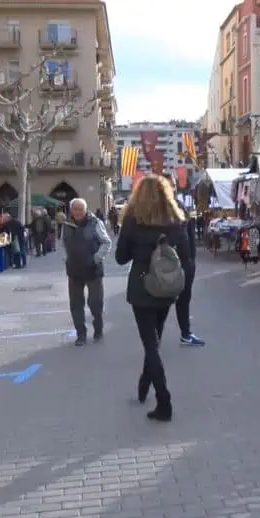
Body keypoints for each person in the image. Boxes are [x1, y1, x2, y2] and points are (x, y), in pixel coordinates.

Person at [115, 175, 192, 422]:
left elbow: (120, 257)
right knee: (155, 341)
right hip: (167, 287)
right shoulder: (175, 220)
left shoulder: (132, 221)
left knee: (150, 343)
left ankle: (164, 400)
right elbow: (187, 256)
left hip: (141, 286)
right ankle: (145, 382)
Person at [63, 198, 111, 346]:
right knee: (76, 304)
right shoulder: (66, 225)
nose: (78, 212)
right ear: (71, 211)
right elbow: (63, 243)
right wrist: (67, 259)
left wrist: (96, 258)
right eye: (75, 209)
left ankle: (98, 328)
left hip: (93, 269)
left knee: (95, 302)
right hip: (74, 270)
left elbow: (106, 242)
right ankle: (81, 334)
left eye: (80, 209)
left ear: (85, 210)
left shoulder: (95, 223)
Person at [163, 175, 204, 346]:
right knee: (162, 301)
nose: (171, 187)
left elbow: (189, 233)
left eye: (172, 184)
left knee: (184, 300)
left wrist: (191, 261)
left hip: (186, 263)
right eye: (166, 185)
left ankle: (185, 334)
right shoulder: (156, 209)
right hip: (167, 264)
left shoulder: (180, 205)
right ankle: (154, 336)